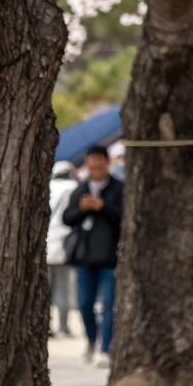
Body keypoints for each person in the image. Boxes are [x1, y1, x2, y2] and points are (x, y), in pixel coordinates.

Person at [62, 145, 124, 364]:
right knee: (84, 303)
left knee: (108, 305)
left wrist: (103, 207)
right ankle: (91, 339)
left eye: (99, 167)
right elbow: (67, 218)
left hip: (110, 256)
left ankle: (106, 348)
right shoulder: (81, 188)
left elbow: (125, 217)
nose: (95, 171)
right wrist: (83, 208)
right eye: (91, 167)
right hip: (84, 256)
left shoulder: (119, 188)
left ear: (107, 164)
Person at [47, 161, 78, 337]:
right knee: (63, 288)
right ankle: (63, 327)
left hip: (45, 243)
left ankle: (45, 325)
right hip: (65, 244)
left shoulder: (48, 186)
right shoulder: (73, 187)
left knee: (46, 290)